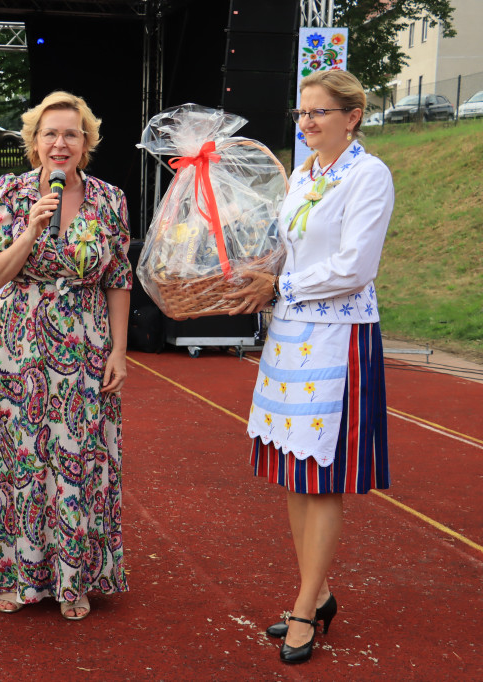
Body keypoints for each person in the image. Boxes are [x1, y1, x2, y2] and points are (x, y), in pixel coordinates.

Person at [226, 70, 393, 664]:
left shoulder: (368, 175)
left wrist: (281, 286)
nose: (307, 123)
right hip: (290, 332)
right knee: (293, 469)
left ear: (352, 117)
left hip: (338, 335)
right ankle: (317, 591)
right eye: (302, 113)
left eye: (320, 112)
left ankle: (303, 607)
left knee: (320, 477)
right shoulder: (304, 174)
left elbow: (355, 267)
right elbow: (286, 245)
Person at [0, 91, 131, 621]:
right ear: (33, 143)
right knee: (22, 458)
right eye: (50, 134)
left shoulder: (110, 198)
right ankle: (21, 575)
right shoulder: (11, 193)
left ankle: (75, 579)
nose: (60, 143)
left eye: (71, 133)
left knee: (79, 459)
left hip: (86, 345)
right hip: (21, 345)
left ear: (87, 143)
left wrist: (120, 352)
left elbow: (119, 278)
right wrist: (32, 229)